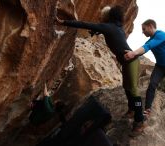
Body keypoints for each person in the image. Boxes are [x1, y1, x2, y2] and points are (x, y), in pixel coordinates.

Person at [56, 5, 145, 136]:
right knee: (127, 88)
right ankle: (132, 109)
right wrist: (97, 31)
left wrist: (63, 22)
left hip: (131, 62)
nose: (100, 16)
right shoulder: (117, 27)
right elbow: (108, 32)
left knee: (133, 90)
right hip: (128, 62)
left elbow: (84, 24)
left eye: (103, 15)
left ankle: (139, 121)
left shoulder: (108, 27)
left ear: (108, 17)